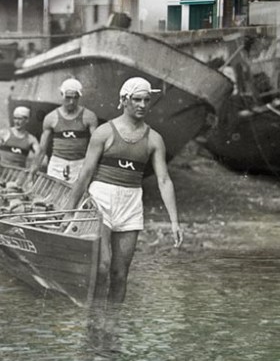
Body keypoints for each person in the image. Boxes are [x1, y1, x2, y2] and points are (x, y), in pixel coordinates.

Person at [66, 77, 183, 306]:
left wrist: (175, 221)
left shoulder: (154, 139)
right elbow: (85, 174)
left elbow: (164, 180)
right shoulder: (103, 132)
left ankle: (112, 327)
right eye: (137, 99)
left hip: (131, 203)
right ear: (124, 100)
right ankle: (95, 322)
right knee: (102, 266)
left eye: (146, 100)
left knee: (120, 275)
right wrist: (70, 210)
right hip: (102, 199)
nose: (142, 105)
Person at [37, 78, 99, 182]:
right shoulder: (51, 117)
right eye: (68, 97)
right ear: (62, 94)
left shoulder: (89, 116)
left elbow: (96, 146)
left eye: (75, 98)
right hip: (57, 164)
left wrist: (92, 171)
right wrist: (32, 173)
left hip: (79, 164)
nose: (71, 102)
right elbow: (42, 149)